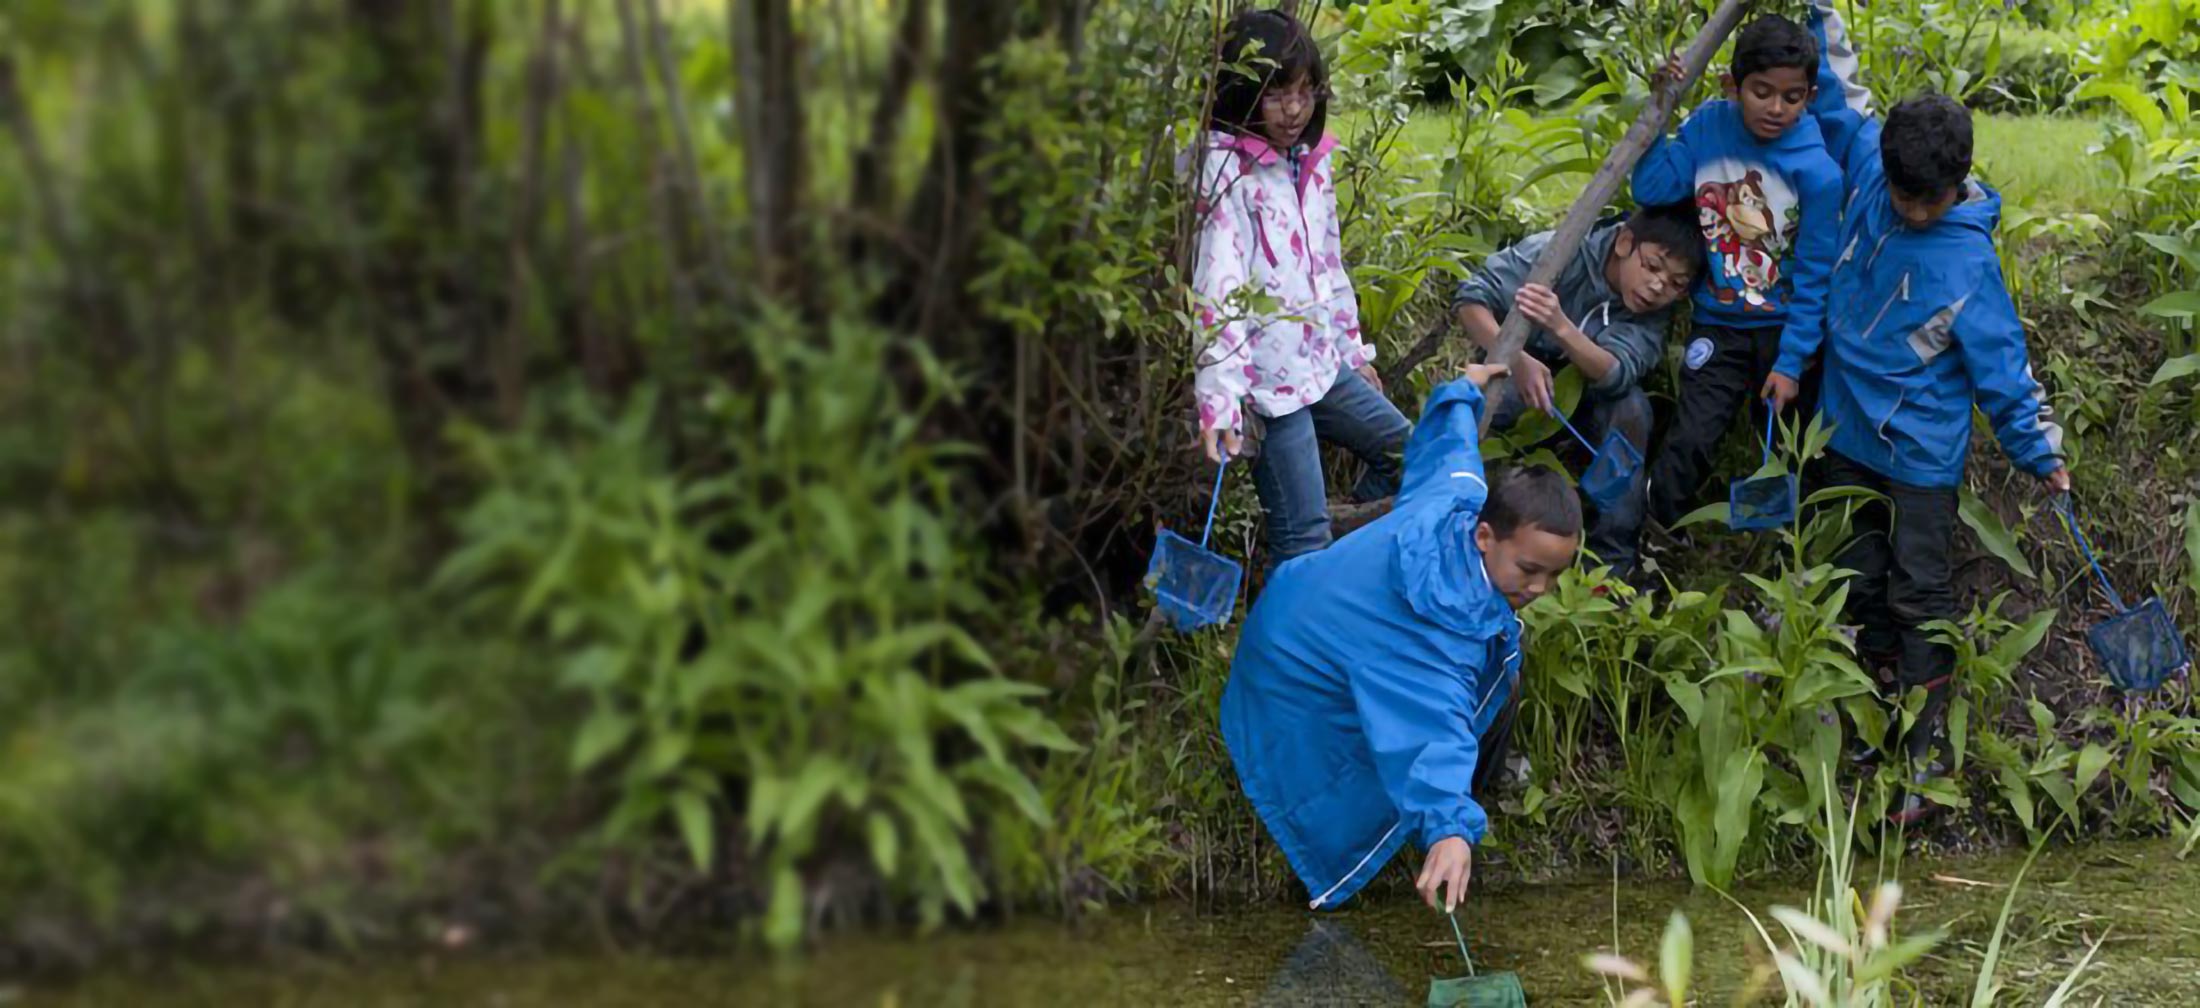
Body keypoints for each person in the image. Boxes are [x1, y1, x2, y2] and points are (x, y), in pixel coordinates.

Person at [1771, 2, 2070, 823]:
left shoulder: (1968, 262)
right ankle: (1869, 726)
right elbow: (1837, 85)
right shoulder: (1876, 164)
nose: (1907, 210)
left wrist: (2040, 452)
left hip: (1921, 455)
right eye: (1900, 194)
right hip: (1845, 429)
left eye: (1923, 201)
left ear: (1956, 185)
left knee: (1918, 594)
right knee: (1857, 581)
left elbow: (2006, 376)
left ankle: (1924, 755)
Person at [1220, 363, 1583, 913]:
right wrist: (1448, 827)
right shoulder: (1439, 627)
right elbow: (1430, 725)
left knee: (1500, 668)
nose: (1540, 588)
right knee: (1358, 765)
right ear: (1485, 536)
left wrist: (1463, 391)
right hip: (1285, 678)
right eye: (1530, 569)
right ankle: (1449, 828)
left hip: (1299, 611)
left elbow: (1450, 450)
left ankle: (1463, 804)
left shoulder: (1456, 503)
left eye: (1555, 576)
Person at [1188, 8, 1406, 572]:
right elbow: (1219, 283)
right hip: (1268, 383)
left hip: (1321, 365)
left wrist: (1354, 352)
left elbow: (1328, 264)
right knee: (1303, 540)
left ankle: (1345, 563)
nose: (1294, 109)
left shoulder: (1308, 160)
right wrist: (1220, 398)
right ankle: (1290, 635)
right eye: (1277, 93)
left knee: (1411, 454)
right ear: (1241, 92)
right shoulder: (1222, 169)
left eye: (1306, 92)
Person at [1630, 14, 1845, 536]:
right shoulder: (1708, 129)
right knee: (1692, 436)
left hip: (1784, 332)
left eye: (1792, 97)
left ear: (1810, 96)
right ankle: (1652, 538)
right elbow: (1652, 187)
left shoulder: (1817, 174)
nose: (1776, 108)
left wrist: (1792, 363)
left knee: (1792, 446)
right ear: (1733, 85)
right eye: (1762, 92)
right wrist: (1660, 109)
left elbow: (1816, 275)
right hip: (1720, 326)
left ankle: (1790, 552)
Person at [1452, 203, 1703, 574]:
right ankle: (1447, 515)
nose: (1656, 287)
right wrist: (1515, 359)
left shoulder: (1654, 314)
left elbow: (1617, 371)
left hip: (1589, 388)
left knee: (1632, 410)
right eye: (1651, 266)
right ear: (1624, 243)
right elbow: (1471, 299)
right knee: (1470, 408)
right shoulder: (1558, 252)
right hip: (1513, 364)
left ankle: (1613, 561)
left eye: (1676, 284)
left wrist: (1561, 326)